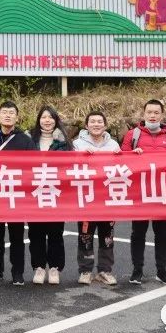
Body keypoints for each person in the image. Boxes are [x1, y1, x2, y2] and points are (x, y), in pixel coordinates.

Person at [122, 99, 166, 285]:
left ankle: (162, 270)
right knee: (138, 232)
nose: (152, 115)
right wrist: (132, 155)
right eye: (149, 112)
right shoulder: (133, 135)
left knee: (162, 233)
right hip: (139, 191)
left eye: (156, 112)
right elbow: (121, 159)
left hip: (163, 192)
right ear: (144, 113)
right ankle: (137, 270)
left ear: (162, 115)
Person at [0, 101, 36, 286]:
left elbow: (33, 166)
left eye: (11, 112)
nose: (7, 115)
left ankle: (18, 272)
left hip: (16, 194)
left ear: (17, 117)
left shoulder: (25, 141)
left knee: (16, 236)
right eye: (4, 112)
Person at [72, 111, 121, 287]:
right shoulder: (77, 144)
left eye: (100, 121)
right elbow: (69, 166)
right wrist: (80, 155)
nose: (96, 124)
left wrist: (122, 156)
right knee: (85, 235)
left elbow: (122, 168)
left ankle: (104, 271)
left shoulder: (113, 144)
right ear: (86, 125)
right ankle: (85, 270)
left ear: (105, 125)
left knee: (107, 236)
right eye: (92, 121)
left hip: (108, 197)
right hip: (86, 197)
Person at [27, 105, 72, 285]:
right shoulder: (29, 140)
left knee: (55, 232)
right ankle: (38, 267)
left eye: (50, 117)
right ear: (39, 120)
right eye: (44, 117)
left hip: (56, 193)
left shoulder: (64, 142)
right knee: (35, 232)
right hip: (34, 193)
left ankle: (54, 268)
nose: (47, 120)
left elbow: (71, 165)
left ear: (56, 120)